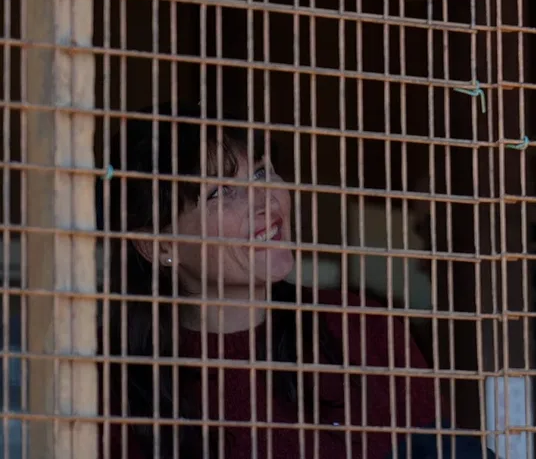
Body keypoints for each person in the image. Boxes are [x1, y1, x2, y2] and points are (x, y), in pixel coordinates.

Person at [101, 101, 491, 459]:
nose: (265, 200)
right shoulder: (112, 380)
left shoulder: (361, 325)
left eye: (260, 170)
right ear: (158, 244)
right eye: (222, 192)